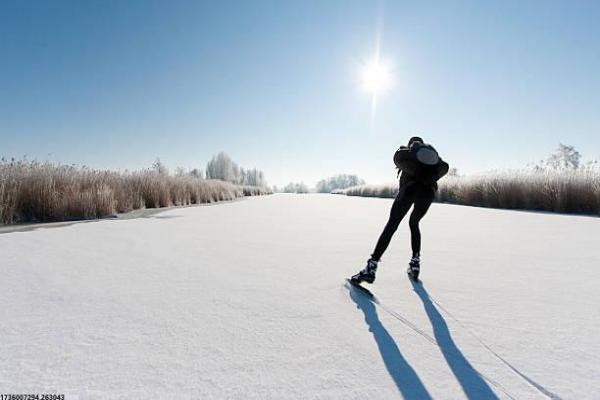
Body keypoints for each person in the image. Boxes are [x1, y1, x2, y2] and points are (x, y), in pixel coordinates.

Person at [351, 136, 449, 283]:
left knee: (392, 225)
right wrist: (429, 177)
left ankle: (370, 268)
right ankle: (415, 262)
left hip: (409, 190)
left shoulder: (409, 153)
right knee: (414, 223)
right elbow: (445, 166)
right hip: (428, 193)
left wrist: (415, 174)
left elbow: (397, 158)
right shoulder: (432, 158)